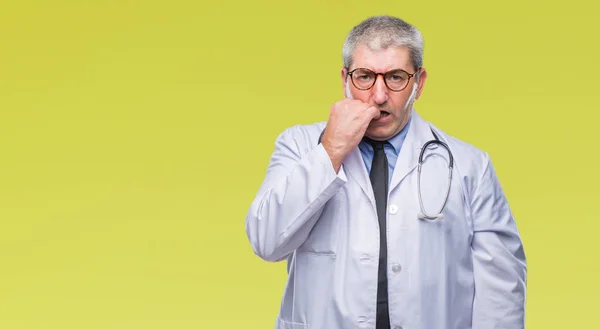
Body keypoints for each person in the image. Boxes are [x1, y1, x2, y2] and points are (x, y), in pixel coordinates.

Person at [245, 15, 527, 329]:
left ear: (418, 83)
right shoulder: (300, 146)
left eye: (395, 77)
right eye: (365, 77)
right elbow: (266, 242)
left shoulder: (470, 166)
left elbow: (502, 291)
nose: (379, 96)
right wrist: (331, 151)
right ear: (345, 80)